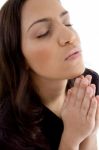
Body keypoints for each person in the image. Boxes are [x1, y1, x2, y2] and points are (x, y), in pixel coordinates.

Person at [0, 0, 99, 150]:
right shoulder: (8, 130)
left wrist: (88, 131)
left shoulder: (90, 84)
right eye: (43, 33)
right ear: (19, 57)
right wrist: (71, 139)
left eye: (67, 23)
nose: (69, 36)